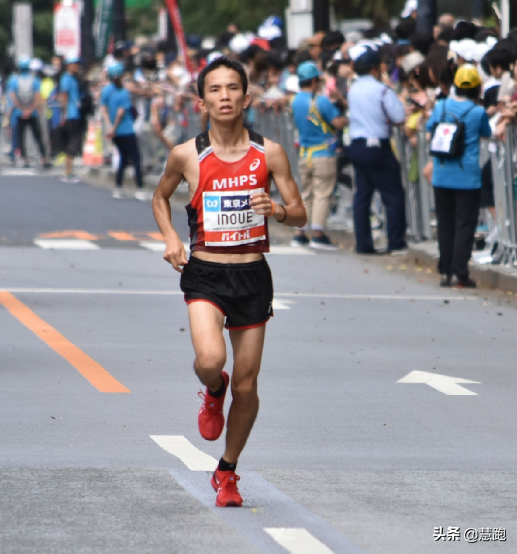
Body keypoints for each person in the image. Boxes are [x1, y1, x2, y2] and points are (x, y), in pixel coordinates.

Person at [152, 57, 306, 507]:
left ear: (247, 97)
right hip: (205, 271)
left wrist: (275, 209)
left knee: (248, 385)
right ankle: (211, 389)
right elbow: (160, 198)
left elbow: (299, 214)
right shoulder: (187, 154)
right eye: (215, 89)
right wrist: (169, 239)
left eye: (233, 88)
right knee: (209, 358)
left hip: (253, 274)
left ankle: (227, 472)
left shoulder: (269, 153)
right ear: (202, 101)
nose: (224, 96)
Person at [426, 66, 491, 288]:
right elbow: (487, 133)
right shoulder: (477, 112)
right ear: (477, 88)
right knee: (465, 224)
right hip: (467, 176)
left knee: (445, 223)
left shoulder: (441, 105)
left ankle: (445, 271)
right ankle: (461, 272)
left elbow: (429, 129)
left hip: (441, 173)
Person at [346, 46, 408, 254]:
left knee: (362, 196)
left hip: (356, 144)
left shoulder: (353, 89)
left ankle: (363, 244)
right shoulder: (382, 89)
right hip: (376, 145)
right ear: (374, 68)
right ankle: (396, 242)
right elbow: (399, 117)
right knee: (393, 195)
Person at [291, 61, 347, 249]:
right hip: (323, 152)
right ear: (314, 80)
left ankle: (300, 233)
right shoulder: (321, 101)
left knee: (306, 194)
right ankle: (318, 234)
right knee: (322, 193)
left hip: (304, 153)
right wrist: (347, 119)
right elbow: (337, 123)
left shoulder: (295, 100)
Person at [101, 62, 147, 200]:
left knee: (123, 158)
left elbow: (103, 108)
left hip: (114, 131)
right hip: (126, 129)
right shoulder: (123, 92)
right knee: (136, 158)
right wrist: (114, 127)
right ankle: (140, 188)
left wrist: (109, 125)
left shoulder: (106, 90)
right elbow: (121, 112)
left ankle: (118, 187)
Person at [8, 58, 51, 168]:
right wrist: (31, 109)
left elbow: (12, 96)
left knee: (21, 136)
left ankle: (25, 159)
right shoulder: (34, 79)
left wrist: (22, 109)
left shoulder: (14, 79)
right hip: (33, 113)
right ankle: (44, 159)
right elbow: (37, 95)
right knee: (38, 136)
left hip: (19, 113)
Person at [59, 56, 83, 182]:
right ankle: (67, 171)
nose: (77, 66)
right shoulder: (66, 78)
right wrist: (64, 115)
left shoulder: (74, 79)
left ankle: (69, 169)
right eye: (74, 64)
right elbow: (64, 96)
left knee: (74, 142)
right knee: (72, 142)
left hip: (75, 113)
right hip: (71, 114)